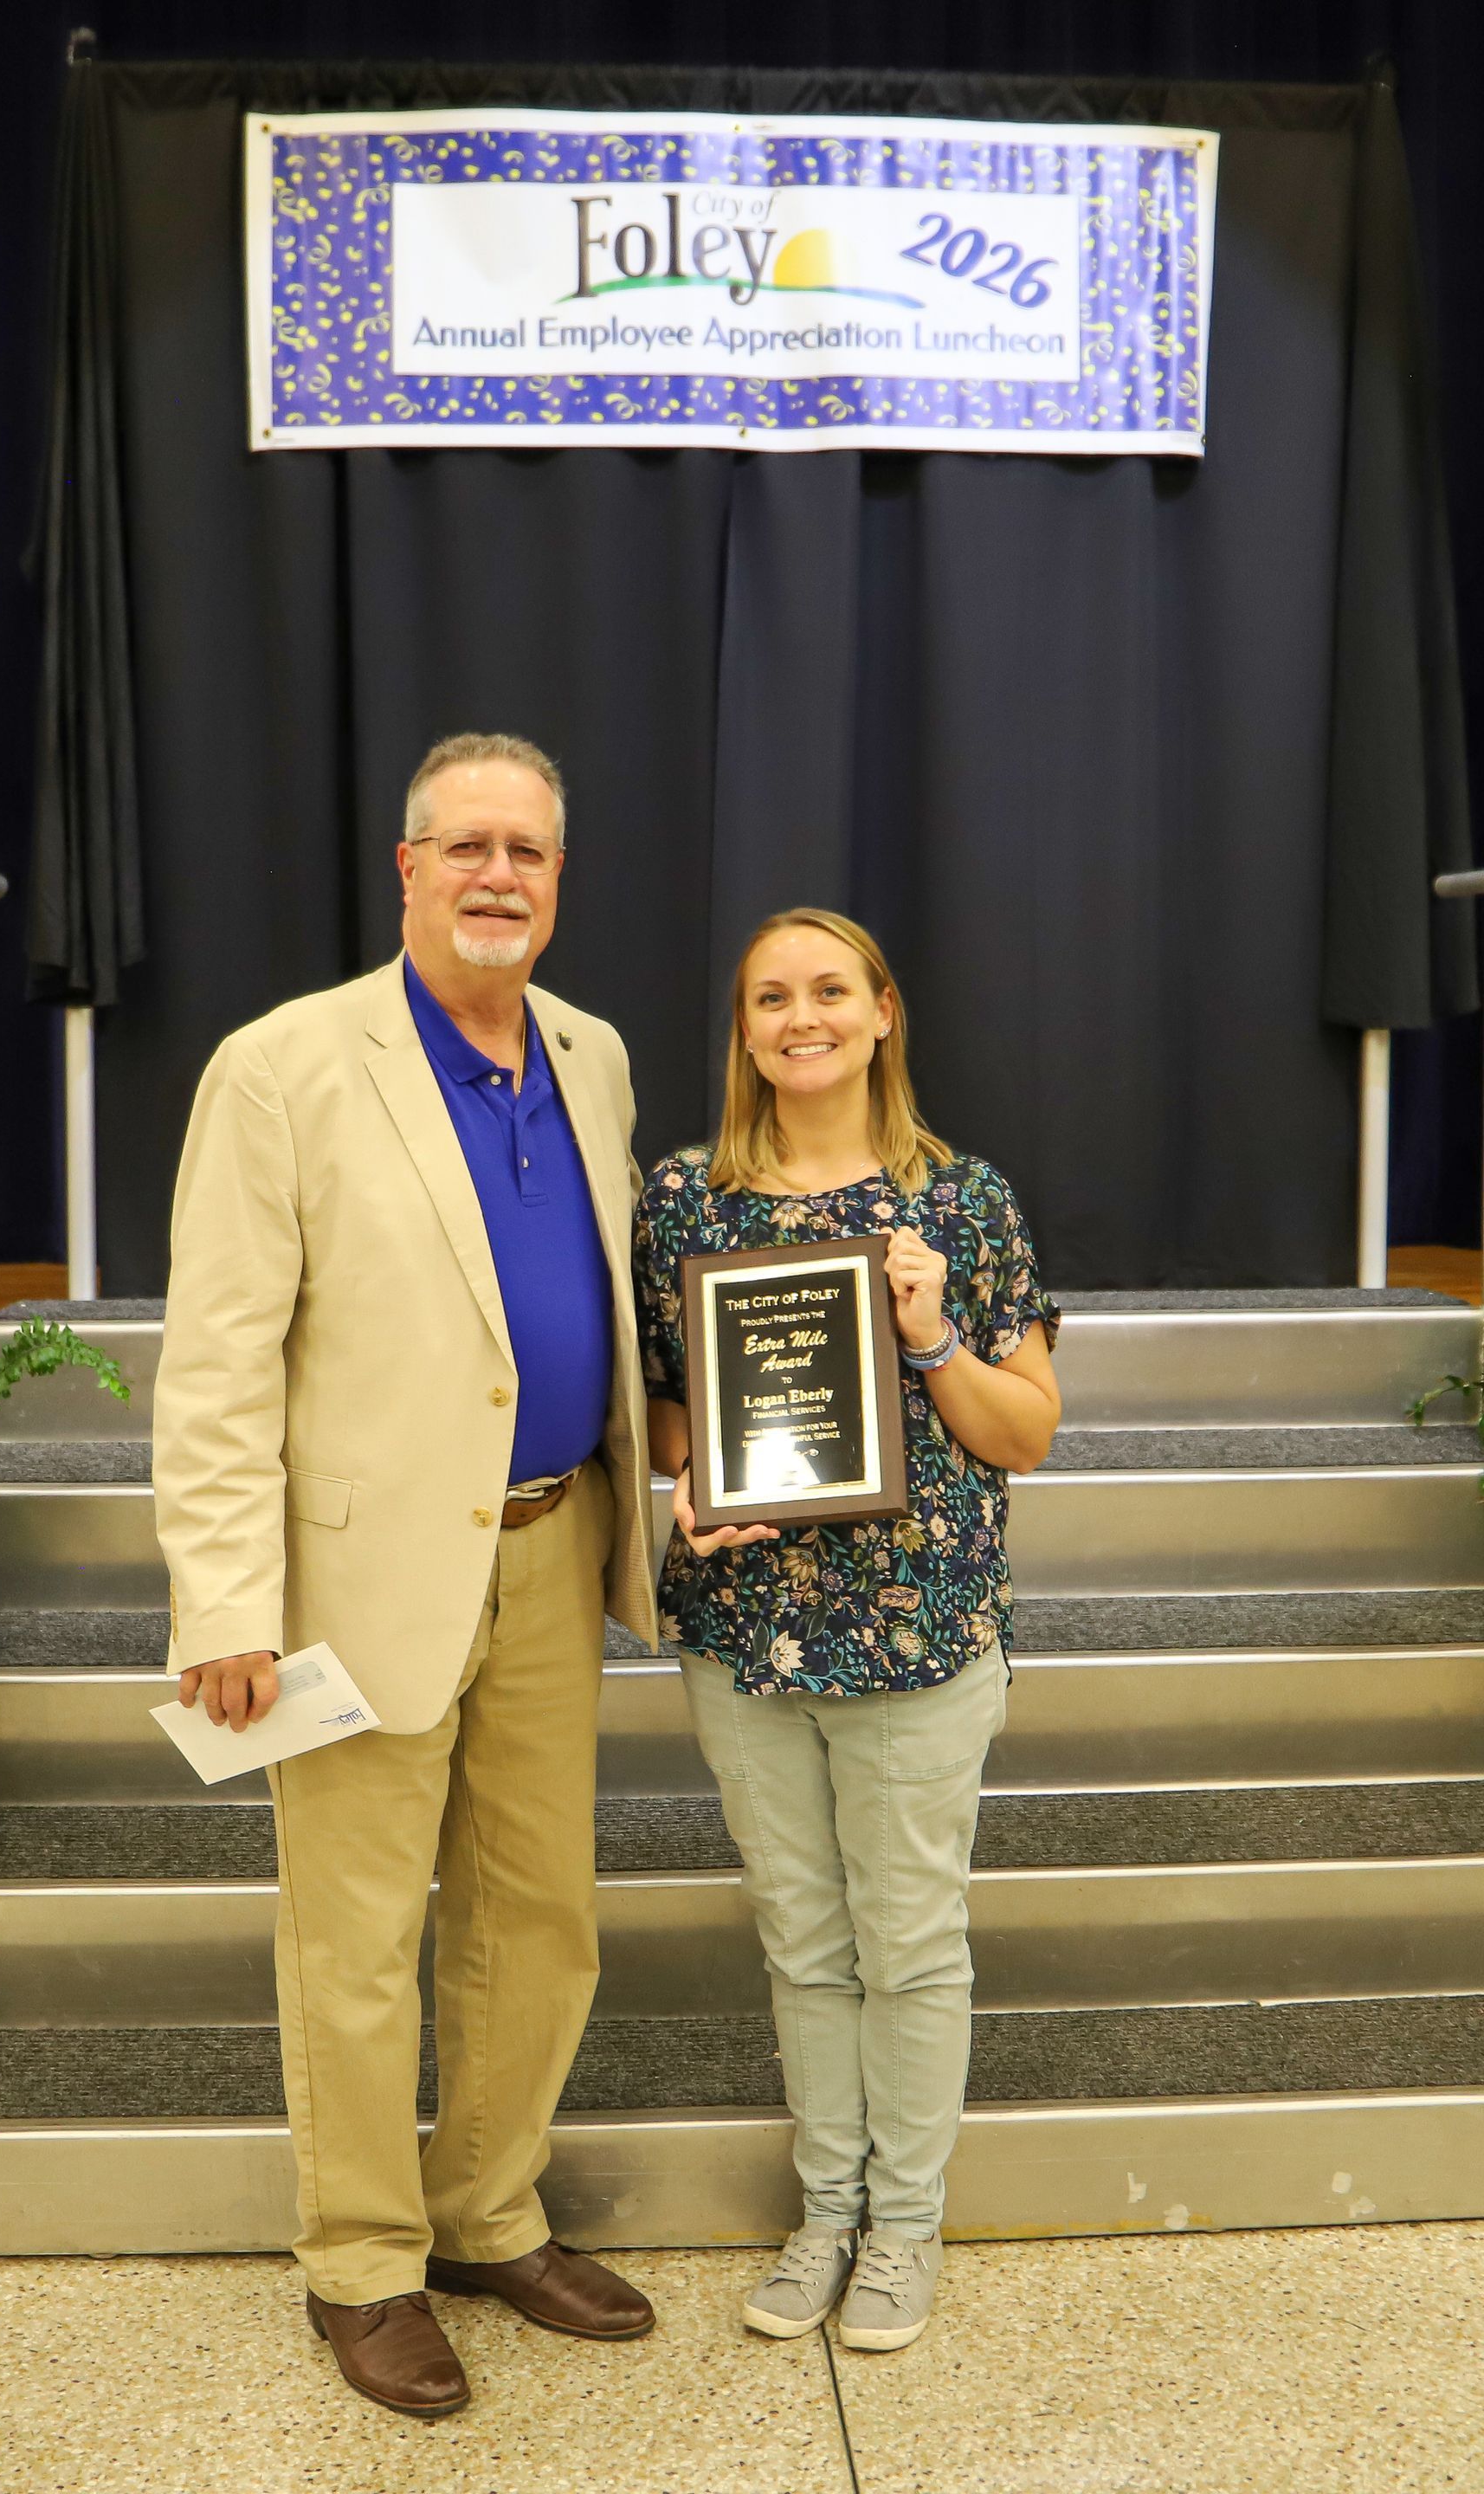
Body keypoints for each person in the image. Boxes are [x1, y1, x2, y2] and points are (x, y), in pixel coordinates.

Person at [154, 733, 659, 2421]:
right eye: (468, 848)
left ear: (559, 879)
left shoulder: (592, 1055)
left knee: (540, 1923)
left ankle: (485, 2212)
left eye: (528, 849)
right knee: (357, 1943)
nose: (500, 874)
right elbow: (218, 1365)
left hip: (552, 1549)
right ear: (407, 868)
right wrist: (225, 1605)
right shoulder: (285, 1067)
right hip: (354, 1588)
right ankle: (364, 2262)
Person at [632, 908, 1060, 2354]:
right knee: (804, 1941)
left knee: (913, 1945)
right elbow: (675, 1414)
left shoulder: (967, 1201)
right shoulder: (684, 1202)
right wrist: (687, 1488)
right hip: (746, 1634)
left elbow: (1030, 1435)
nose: (798, 1017)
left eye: (828, 991)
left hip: (921, 1636)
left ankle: (907, 2231)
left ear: (883, 1013)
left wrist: (933, 1338)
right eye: (769, 996)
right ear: (743, 1028)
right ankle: (827, 2214)